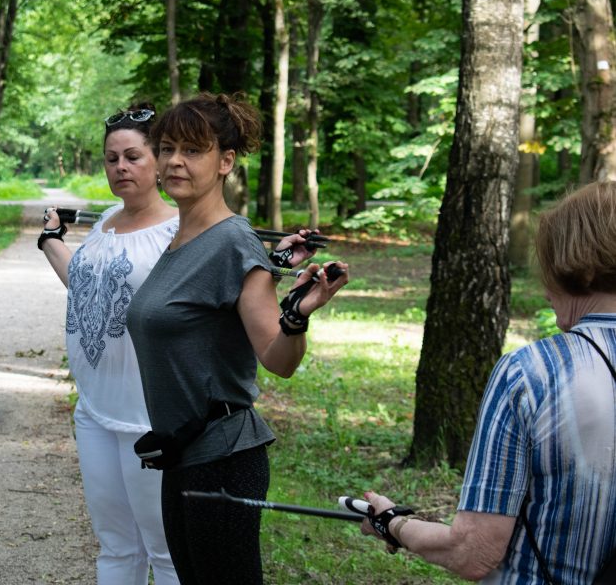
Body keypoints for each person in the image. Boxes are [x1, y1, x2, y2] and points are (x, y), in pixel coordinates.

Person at [125, 92, 349, 584]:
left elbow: (277, 358)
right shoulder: (180, 240)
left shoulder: (233, 242)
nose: (174, 161)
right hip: (181, 454)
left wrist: (296, 316)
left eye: (192, 149)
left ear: (225, 161)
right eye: (166, 148)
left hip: (223, 459)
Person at [359, 181, 616, 584]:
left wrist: (392, 523)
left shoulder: (530, 373)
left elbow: (473, 552)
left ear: (580, 266)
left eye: (549, 262)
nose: (544, 286)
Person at [39, 103, 180, 585]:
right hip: (95, 408)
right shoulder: (103, 224)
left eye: (133, 156)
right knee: (116, 545)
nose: (120, 167)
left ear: (159, 161)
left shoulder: (180, 233)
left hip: (150, 415)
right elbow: (87, 291)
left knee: (165, 551)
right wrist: (51, 241)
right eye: (111, 158)